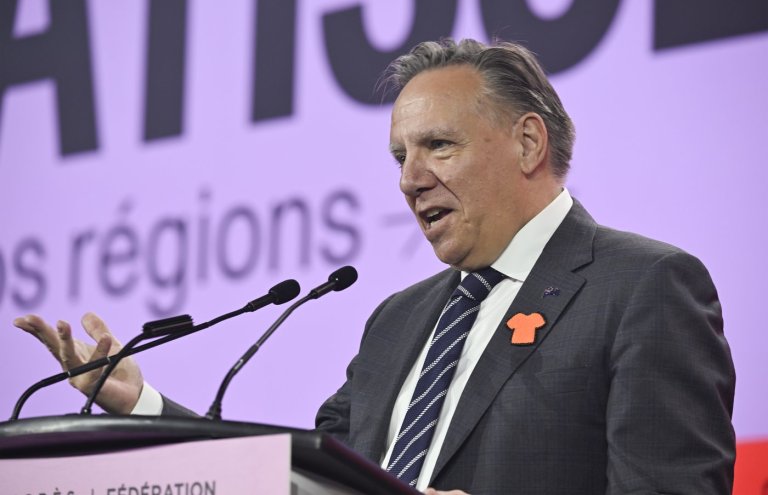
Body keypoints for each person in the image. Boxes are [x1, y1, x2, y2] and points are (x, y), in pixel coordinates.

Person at [14, 39, 735, 494]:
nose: (410, 180)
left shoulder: (641, 287)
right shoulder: (400, 320)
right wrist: (142, 406)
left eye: (438, 146)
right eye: (400, 156)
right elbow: (300, 477)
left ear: (526, 143)